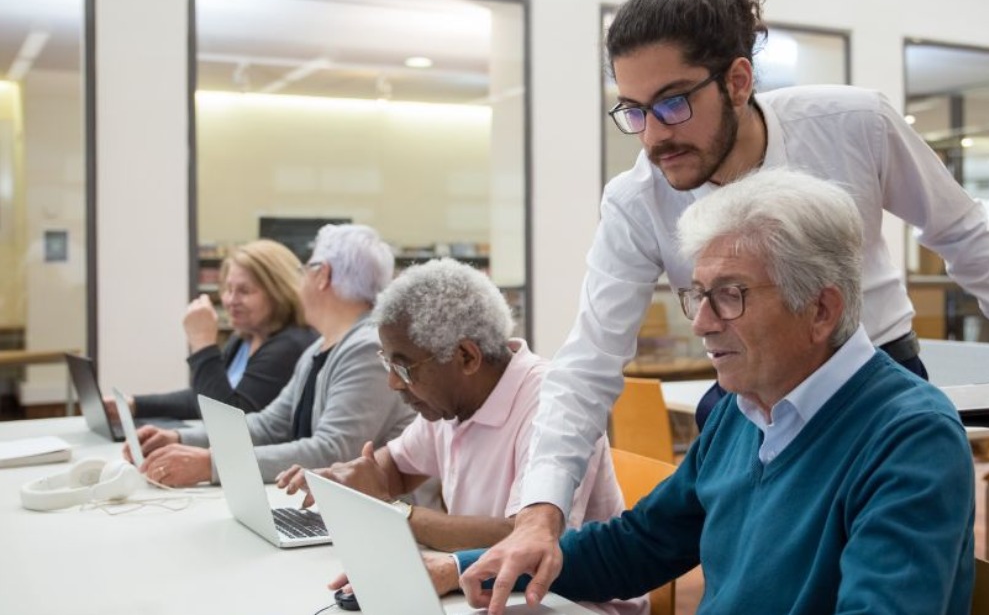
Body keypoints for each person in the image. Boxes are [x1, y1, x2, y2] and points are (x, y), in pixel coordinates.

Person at [464, 0, 989, 612]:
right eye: (633, 110)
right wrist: (536, 512)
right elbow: (588, 365)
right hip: (756, 391)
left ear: (739, 79)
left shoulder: (852, 124)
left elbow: (959, 230)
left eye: (671, 104)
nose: (652, 137)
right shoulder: (638, 200)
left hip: (870, 382)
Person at [452, 170, 976, 613]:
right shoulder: (743, 412)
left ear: (821, 309)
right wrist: (462, 568)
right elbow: (639, 545)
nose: (701, 323)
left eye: (729, 295)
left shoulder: (910, 436)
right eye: (699, 295)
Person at [275, 259, 646, 615]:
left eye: (402, 366)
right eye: (387, 363)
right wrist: (347, 481)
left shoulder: (552, 406)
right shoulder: (449, 404)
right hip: (490, 586)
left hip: (572, 600)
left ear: (467, 357)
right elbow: (396, 468)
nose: (392, 383)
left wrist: (394, 511)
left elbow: (523, 536)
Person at [128, 224, 415, 488]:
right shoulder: (320, 349)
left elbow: (332, 452)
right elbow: (269, 426)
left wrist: (212, 464)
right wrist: (180, 439)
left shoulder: (367, 349)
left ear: (322, 275)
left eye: (305, 269)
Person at [107, 239, 317, 421]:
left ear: (278, 293)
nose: (231, 300)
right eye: (228, 289)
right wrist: (135, 405)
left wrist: (203, 343)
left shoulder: (289, 346)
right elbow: (205, 398)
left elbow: (226, 419)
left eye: (244, 291)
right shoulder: (244, 339)